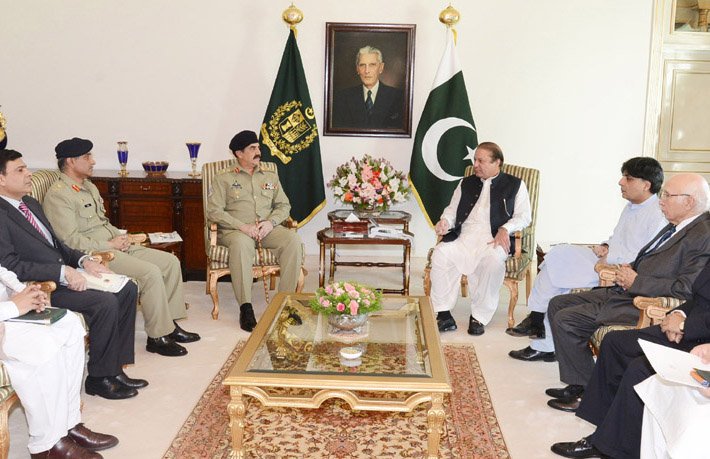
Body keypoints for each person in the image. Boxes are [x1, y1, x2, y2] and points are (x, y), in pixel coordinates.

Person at [545, 173, 710, 413]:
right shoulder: (676, 226)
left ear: (689, 202)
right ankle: (580, 382)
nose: (661, 200)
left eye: (667, 195)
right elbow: (653, 260)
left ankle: (586, 390)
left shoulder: (702, 234)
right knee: (558, 303)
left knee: (567, 318)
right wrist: (629, 270)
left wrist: (637, 281)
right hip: (626, 289)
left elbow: (686, 286)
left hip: (643, 300)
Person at [0, 149, 146, 400]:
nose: (29, 174)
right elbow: (9, 264)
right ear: (1, 179)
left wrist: (83, 260)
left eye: (26, 168)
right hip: (38, 287)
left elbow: (56, 244)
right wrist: (61, 271)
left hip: (64, 272)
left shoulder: (30, 203)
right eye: (20, 170)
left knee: (127, 288)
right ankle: (99, 379)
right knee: (104, 302)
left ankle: (115, 369)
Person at [42, 137, 200, 357]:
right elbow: (70, 241)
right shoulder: (59, 195)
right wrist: (109, 244)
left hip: (115, 244)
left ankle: (169, 325)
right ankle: (157, 337)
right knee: (150, 273)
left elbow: (101, 223)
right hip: (97, 254)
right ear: (70, 161)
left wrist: (122, 236)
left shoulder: (88, 186)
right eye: (87, 156)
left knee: (171, 262)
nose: (93, 161)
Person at [509, 157, 667, 362]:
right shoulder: (632, 206)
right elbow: (619, 238)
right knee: (556, 256)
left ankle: (541, 334)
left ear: (646, 185)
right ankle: (538, 324)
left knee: (557, 272)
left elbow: (646, 256)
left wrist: (609, 259)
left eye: (628, 178)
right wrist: (606, 246)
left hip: (617, 269)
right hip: (606, 258)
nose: (621, 182)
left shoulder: (658, 214)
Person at [550, 261, 710, 459]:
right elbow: (700, 297)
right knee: (615, 343)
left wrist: (686, 325)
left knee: (640, 368)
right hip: (691, 329)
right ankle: (602, 433)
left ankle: (612, 448)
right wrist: (677, 313)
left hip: (703, 343)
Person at [0, 264, 118, 458]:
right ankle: (46, 445)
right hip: (5, 314)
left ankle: (68, 424)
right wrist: (13, 306)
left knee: (69, 323)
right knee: (41, 343)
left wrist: (26, 292)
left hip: (8, 314)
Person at [430, 142, 532, 336]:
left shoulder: (515, 185)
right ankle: (443, 314)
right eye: (475, 160)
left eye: (481, 161)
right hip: (464, 236)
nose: (475, 165)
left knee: (493, 261)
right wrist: (445, 221)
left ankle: (479, 316)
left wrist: (505, 228)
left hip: (492, 239)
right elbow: (452, 210)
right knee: (441, 254)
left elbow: (524, 216)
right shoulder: (465, 183)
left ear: (497, 163)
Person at [206, 130, 303, 332]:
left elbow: (284, 206)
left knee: (292, 241)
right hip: (236, 230)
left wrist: (271, 222)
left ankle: (285, 304)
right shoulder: (223, 178)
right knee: (242, 245)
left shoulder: (270, 175)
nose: (258, 151)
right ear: (239, 154)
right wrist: (243, 226)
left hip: (266, 229)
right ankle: (246, 308)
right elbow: (213, 211)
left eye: (258, 147)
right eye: (252, 148)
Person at [332, 45, 404, 129]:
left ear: (381, 68)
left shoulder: (398, 97)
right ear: (357, 69)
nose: (367, 71)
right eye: (362, 65)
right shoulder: (342, 98)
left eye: (372, 65)